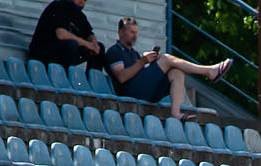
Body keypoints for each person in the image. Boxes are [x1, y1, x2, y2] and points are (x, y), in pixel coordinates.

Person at [97, 17, 232, 123]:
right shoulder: (114, 52)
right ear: (121, 32)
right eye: (131, 32)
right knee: (166, 59)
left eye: (136, 32)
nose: (135, 36)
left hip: (143, 91)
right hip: (129, 92)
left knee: (176, 72)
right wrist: (143, 62)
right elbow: (122, 77)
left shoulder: (133, 53)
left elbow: (138, 73)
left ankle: (176, 113)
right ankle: (209, 71)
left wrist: (150, 64)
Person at [25, 0, 103, 68]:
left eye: (85, 0)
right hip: (41, 53)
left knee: (99, 48)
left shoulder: (79, 15)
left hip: (62, 53)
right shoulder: (58, 6)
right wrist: (88, 44)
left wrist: (94, 43)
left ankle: (93, 80)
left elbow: (89, 33)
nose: (81, 2)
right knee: (71, 44)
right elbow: (61, 35)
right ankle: (65, 76)